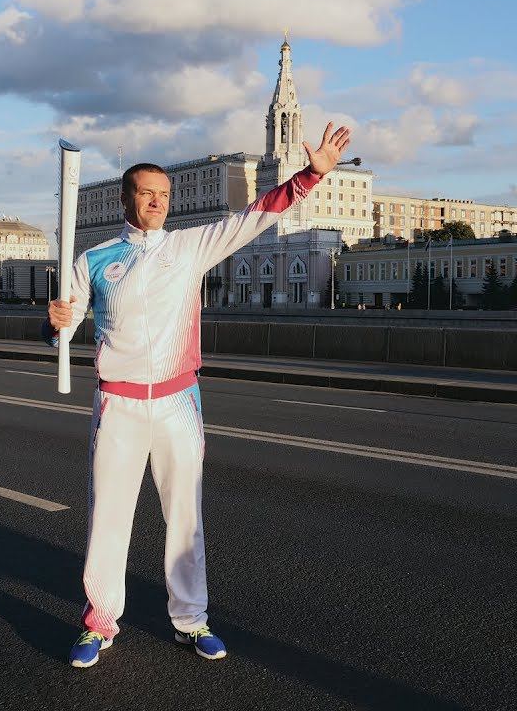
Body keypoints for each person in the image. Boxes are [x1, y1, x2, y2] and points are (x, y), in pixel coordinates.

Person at [45, 122, 352, 668]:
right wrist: (56, 323)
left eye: (164, 194)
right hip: (118, 404)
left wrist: (310, 176)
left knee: (184, 518)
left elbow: (253, 216)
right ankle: (99, 622)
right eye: (147, 193)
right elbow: (62, 330)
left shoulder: (189, 248)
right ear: (125, 199)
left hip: (177, 402)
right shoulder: (93, 259)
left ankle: (191, 619)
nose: (158, 202)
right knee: (108, 518)